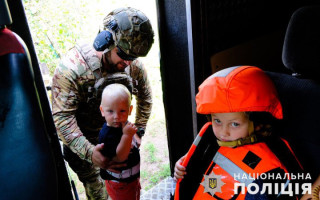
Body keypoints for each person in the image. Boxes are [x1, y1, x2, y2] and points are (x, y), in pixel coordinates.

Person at [51, 7, 154, 200]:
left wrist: (138, 131)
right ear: (105, 41)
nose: (128, 63)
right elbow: (62, 119)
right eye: (123, 55)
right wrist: (90, 154)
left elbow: (146, 97)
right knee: (98, 194)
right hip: (86, 148)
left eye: (133, 58)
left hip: (120, 146)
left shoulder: (131, 64)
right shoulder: (72, 69)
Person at [174, 66, 303, 199]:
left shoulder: (270, 171)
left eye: (235, 124)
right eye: (217, 121)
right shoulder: (210, 141)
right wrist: (182, 165)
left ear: (257, 123)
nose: (224, 133)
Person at [98, 83, 140, 200]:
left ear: (129, 110)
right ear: (102, 110)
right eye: (110, 111)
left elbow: (130, 129)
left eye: (122, 111)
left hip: (130, 179)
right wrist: (127, 135)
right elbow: (119, 158)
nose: (116, 116)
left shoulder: (122, 123)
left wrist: (134, 137)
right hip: (120, 184)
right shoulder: (107, 135)